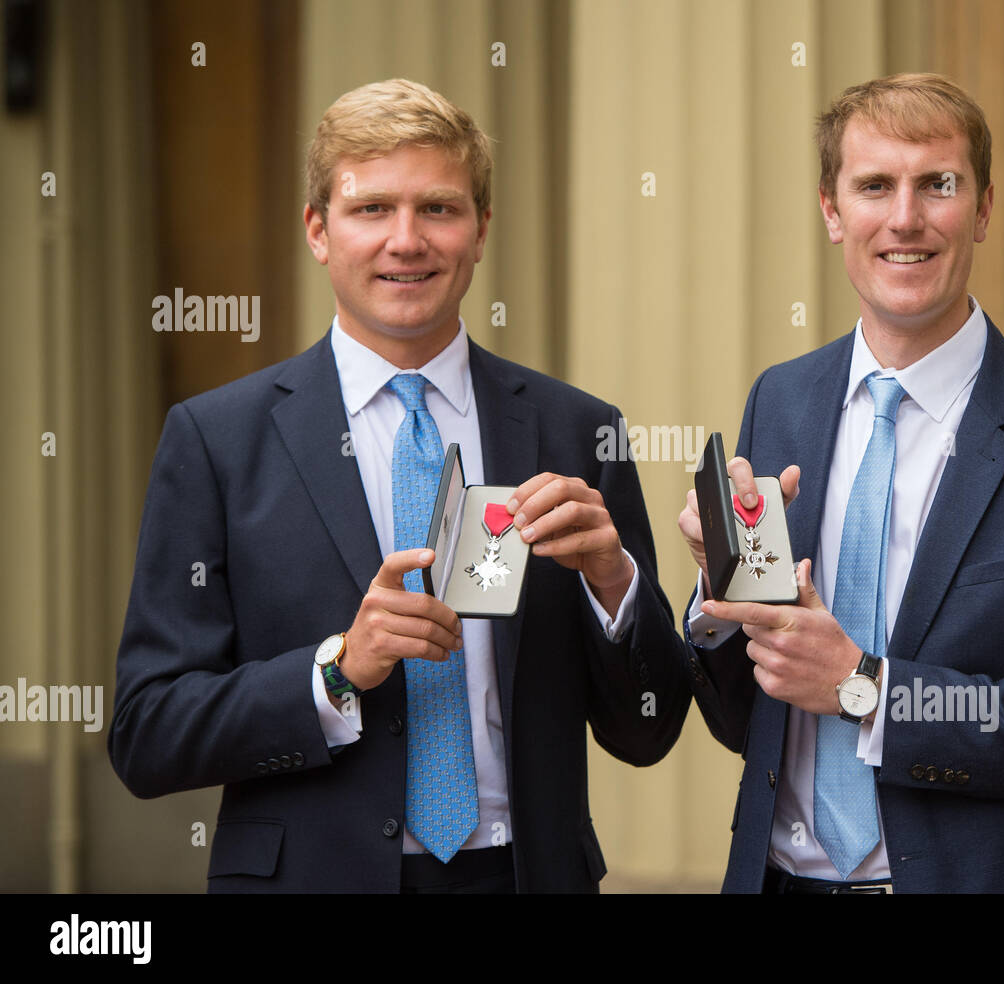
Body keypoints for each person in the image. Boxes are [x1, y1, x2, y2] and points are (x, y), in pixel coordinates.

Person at [109, 78, 690, 893]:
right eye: (372, 209)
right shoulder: (217, 440)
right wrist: (336, 671)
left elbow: (647, 731)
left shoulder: (575, 430)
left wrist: (613, 583)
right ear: (318, 230)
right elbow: (147, 734)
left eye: (439, 209)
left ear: (482, 229)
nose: (406, 241)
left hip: (522, 875)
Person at [677, 73, 1004, 893]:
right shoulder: (782, 398)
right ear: (832, 212)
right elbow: (751, 721)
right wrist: (720, 594)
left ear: (981, 209)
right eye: (874, 186)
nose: (904, 218)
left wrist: (868, 690)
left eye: (937, 186)